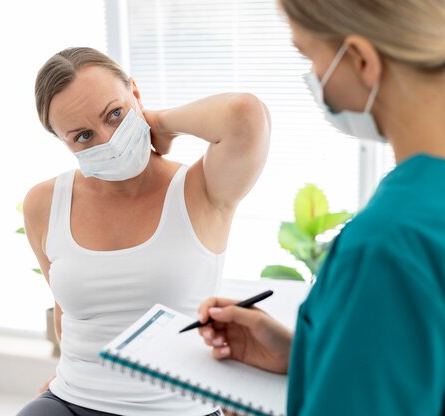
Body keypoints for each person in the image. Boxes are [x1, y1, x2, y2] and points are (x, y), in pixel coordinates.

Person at [197, 0, 445, 414]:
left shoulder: (391, 244)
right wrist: (307, 353)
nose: (314, 78)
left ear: (361, 59)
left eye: (309, 56)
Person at [17, 47, 270, 416]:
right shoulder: (44, 203)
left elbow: (244, 115)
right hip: (74, 399)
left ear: (135, 93)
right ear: (64, 143)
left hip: (179, 407)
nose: (109, 140)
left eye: (115, 114)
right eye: (83, 136)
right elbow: (65, 314)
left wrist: (161, 123)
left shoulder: (202, 189)